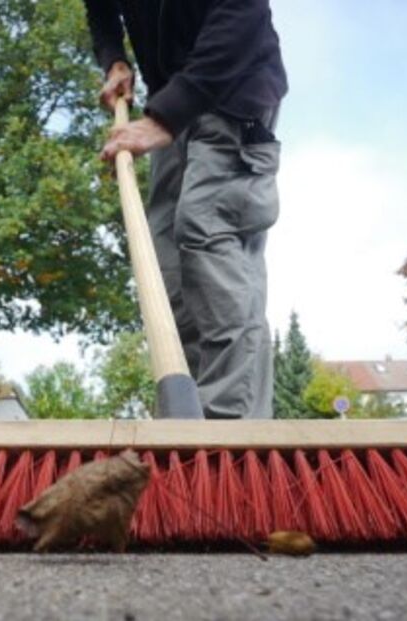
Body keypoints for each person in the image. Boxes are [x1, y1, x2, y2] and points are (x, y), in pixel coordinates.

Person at [84, 0, 287, 419]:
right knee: (169, 268)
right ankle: (189, 422)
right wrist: (114, 59)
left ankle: (232, 432)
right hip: (171, 101)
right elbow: (100, 8)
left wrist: (164, 117)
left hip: (233, 88)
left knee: (206, 229)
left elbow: (242, 15)